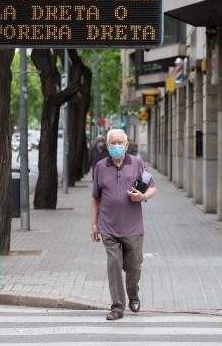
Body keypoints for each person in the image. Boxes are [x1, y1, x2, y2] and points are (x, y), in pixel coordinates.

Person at [90, 129, 157, 320]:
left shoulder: (137, 163)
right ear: (108, 146)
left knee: (133, 266)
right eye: (113, 143)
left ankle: (133, 295)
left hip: (133, 227)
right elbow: (95, 198)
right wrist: (94, 224)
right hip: (108, 227)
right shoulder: (101, 167)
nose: (116, 146)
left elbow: (153, 188)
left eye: (120, 143)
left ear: (127, 146)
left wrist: (142, 196)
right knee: (114, 264)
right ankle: (117, 307)